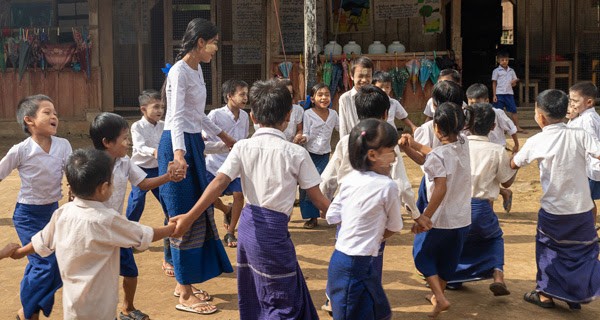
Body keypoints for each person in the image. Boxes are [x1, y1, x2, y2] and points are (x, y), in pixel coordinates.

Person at [170, 79, 331, 319]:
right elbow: (318, 200)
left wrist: (190, 217)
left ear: (253, 116)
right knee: (281, 298)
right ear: (288, 116)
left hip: (248, 228)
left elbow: (218, 183)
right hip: (272, 234)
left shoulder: (243, 147)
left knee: (258, 291)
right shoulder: (296, 153)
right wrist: (350, 219)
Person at [9, 148, 177, 320]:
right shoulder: (107, 219)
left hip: (73, 305)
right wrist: (171, 228)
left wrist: (19, 253)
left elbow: (42, 242)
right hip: (100, 307)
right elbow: (143, 235)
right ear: (104, 188)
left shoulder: (62, 213)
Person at [319, 84, 419, 313]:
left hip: (347, 214)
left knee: (344, 261)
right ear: (386, 114)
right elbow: (402, 184)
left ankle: (334, 299)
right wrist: (416, 213)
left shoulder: (347, 140)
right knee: (368, 268)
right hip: (374, 220)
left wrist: (328, 207)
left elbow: (326, 180)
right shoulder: (385, 144)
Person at [158, 17, 234, 315]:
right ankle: (185, 293)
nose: (216, 48)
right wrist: (178, 155)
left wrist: (225, 136)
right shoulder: (178, 72)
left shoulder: (198, 68)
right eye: (213, 42)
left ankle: (182, 282)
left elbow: (196, 114)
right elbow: (175, 116)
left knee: (197, 211)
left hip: (192, 143)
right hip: (177, 145)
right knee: (181, 215)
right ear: (201, 42)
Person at [513, 89, 600, 310]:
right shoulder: (580, 134)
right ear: (565, 111)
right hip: (582, 208)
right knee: (580, 252)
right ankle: (574, 294)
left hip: (554, 211)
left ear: (539, 116)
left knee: (548, 250)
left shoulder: (536, 141)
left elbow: (515, 163)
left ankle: (545, 293)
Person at [90, 112, 181, 320]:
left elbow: (143, 183)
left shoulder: (125, 162)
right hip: (96, 231)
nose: (128, 142)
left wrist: (168, 177)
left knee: (130, 272)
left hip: (118, 229)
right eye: (123, 138)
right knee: (101, 278)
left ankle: (128, 308)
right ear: (106, 142)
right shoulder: (91, 165)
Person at [0, 95, 72, 320]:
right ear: (29, 120)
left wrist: (74, 188)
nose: (54, 116)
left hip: (53, 213)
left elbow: (73, 172)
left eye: (55, 113)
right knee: (44, 263)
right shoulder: (20, 150)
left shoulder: (63, 145)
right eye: (47, 112)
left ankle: (28, 310)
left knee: (57, 264)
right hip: (27, 215)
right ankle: (28, 312)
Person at [400, 102, 472, 318]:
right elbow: (428, 158)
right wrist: (410, 146)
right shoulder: (463, 142)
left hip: (440, 219)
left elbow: (440, 185)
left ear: (437, 128)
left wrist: (425, 216)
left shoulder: (439, 156)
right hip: (462, 218)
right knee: (449, 259)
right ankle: (438, 294)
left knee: (422, 255)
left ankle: (439, 297)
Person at [326, 119, 403, 320]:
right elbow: (395, 226)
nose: (395, 157)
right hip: (358, 261)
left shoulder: (350, 180)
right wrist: (373, 237)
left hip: (343, 259)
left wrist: (354, 226)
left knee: (374, 309)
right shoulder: (388, 187)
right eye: (391, 151)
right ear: (372, 155)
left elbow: (332, 215)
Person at [445, 103, 516, 295]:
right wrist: (515, 164)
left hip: (456, 206)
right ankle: (498, 274)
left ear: (466, 125)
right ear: (493, 127)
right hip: (482, 208)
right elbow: (507, 182)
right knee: (493, 238)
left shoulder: (456, 147)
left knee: (458, 240)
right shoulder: (496, 150)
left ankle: (453, 277)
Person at [125, 89, 174, 277]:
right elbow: (138, 146)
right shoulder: (137, 126)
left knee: (167, 202)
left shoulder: (164, 125)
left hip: (158, 168)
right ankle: (128, 236)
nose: (159, 110)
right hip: (140, 168)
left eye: (161, 106)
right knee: (137, 201)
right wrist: (154, 151)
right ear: (143, 109)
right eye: (155, 107)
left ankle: (169, 244)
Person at [204, 79, 250, 247]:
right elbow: (203, 143)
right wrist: (223, 146)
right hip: (214, 165)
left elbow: (243, 140)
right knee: (209, 198)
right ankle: (226, 209)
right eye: (242, 94)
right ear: (230, 96)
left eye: (247, 94)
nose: (246, 98)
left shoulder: (245, 116)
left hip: (236, 165)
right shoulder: (215, 115)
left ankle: (230, 232)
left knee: (239, 196)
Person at [414, 80, 465, 214]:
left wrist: (412, 146)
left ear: (434, 105)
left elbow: (423, 159)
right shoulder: (462, 130)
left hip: (433, 183)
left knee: (429, 219)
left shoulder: (427, 128)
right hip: (458, 182)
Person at [466, 83, 518, 212]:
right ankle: (504, 194)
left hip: (495, 152)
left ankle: (489, 212)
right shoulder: (468, 114)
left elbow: (511, 128)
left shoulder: (497, 113)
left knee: (488, 184)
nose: (475, 106)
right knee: (482, 181)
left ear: (487, 101)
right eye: (471, 103)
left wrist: (516, 144)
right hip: (477, 149)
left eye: (477, 102)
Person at [299, 83, 338, 229]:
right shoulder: (308, 114)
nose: (324, 98)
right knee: (307, 185)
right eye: (320, 95)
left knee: (324, 183)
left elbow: (342, 129)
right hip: (309, 154)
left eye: (327, 94)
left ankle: (327, 211)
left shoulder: (333, 114)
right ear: (313, 99)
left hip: (325, 154)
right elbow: (306, 132)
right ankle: (312, 217)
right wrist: (303, 138)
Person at [566, 82, 600, 221]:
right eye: (570, 100)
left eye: (575, 101)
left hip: (590, 168)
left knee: (584, 201)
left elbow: (593, 144)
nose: (572, 104)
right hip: (587, 167)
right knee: (586, 200)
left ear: (589, 102)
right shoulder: (584, 117)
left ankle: (588, 229)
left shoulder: (587, 119)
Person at [338, 56, 374, 136]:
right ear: (351, 76)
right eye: (360, 76)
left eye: (368, 76)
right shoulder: (345, 99)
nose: (364, 80)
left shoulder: (376, 96)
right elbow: (343, 126)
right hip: (353, 144)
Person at [492, 51, 524, 133]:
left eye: (506, 60)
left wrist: (514, 83)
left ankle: (517, 127)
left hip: (509, 93)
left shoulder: (511, 71)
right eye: (502, 60)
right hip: (499, 94)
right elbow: (494, 83)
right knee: (499, 111)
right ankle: (500, 128)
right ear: (498, 61)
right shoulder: (496, 71)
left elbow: (514, 83)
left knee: (513, 110)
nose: (504, 61)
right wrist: (494, 95)